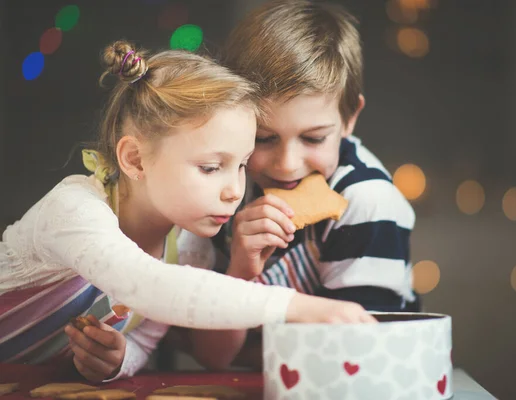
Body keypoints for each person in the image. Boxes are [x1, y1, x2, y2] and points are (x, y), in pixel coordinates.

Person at [0, 40, 375, 382]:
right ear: (135, 159)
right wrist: (298, 308)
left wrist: (118, 359)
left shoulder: (192, 249)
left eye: (242, 165)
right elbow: (149, 287)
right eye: (211, 168)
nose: (235, 191)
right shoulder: (74, 211)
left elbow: (145, 341)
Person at [181, 0, 419, 371]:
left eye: (313, 138)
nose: (287, 164)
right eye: (264, 138)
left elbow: (360, 357)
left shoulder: (368, 202)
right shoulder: (228, 188)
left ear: (349, 117)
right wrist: (241, 271)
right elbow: (213, 357)